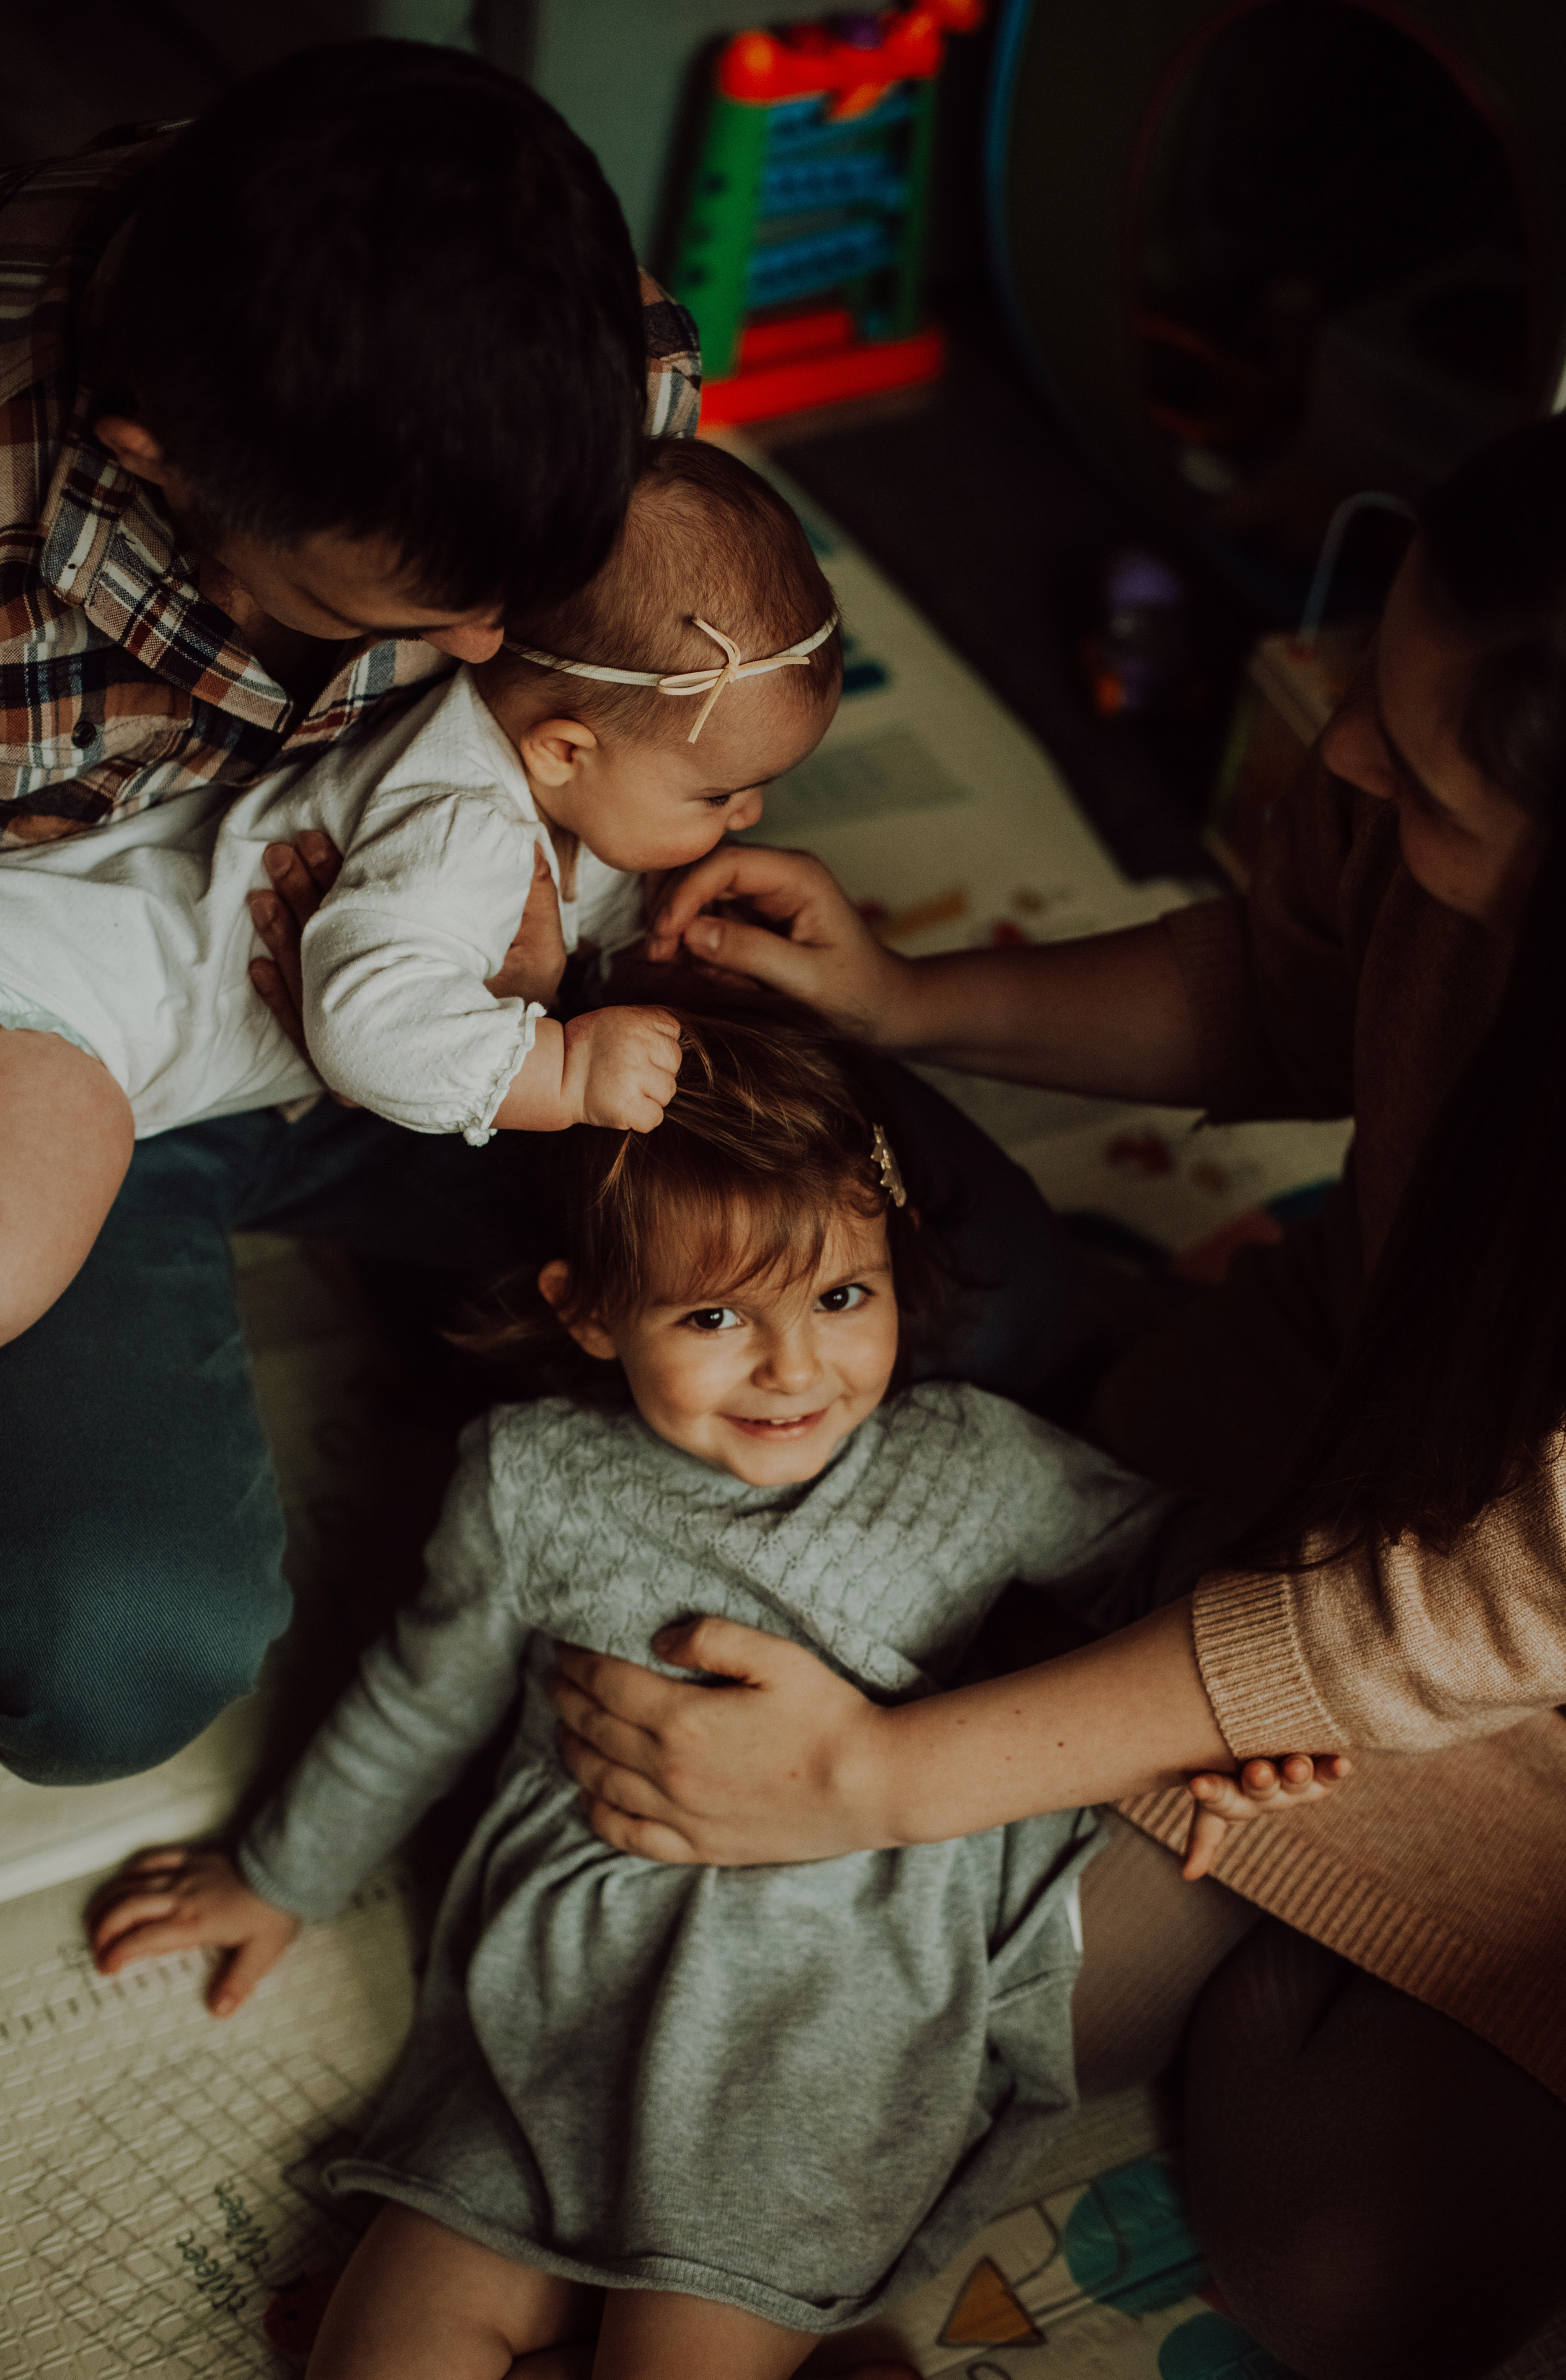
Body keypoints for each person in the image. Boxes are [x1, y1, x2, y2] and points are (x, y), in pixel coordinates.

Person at [533, 407, 1566, 2378]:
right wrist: (904, 996)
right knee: (946, 1918)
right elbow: (1289, 989)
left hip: (1503, 1659)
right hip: (1322, 1474)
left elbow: (1441, 1616)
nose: (1349, 751)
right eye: (1374, 676)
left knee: (1337, 2252)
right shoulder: (1395, 800)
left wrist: (881, 1778)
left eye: (1429, 777)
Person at [0, 45, 1082, 1792]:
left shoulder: (592, 372)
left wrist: (590, 931)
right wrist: (499, 1035)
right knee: (116, 1651)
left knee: (987, 1299)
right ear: (160, 461)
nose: (489, 652)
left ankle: (483, 1295)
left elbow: (649, 700)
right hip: (139, 1032)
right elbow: (361, 1005)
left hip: (477, 1012)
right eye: (423, 609)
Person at [86, 994, 1335, 2380]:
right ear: (589, 1312)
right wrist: (279, 1873)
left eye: (842, 1298)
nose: (793, 1368)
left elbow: (1176, 1562)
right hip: (559, 2004)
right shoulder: (533, 1479)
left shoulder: (976, 1462)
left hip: (825, 2009)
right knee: (380, 2348)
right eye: (715, 1314)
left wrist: (1234, 1728)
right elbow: (420, 1697)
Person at [0, 439, 844, 1344]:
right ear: (563, 751)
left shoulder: (560, 784)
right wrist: (566, 1070)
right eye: (719, 796)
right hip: (63, 1002)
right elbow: (366, 1028)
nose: (750, 815)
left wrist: (663, 948)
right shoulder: (465, 825)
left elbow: (591, 907)